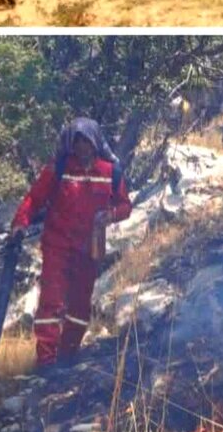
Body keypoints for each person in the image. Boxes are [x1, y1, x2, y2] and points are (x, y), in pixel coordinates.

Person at [10, 118, 132, 367]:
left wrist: (111, 215)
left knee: (80, 304)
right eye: (76, 142)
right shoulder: (58, 170)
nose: (82, 147)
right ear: (70, 144)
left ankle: (68, 355)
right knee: (51, 301)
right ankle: (46, 359)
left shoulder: (111, 172)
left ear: (95, 142)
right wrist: (19, 223)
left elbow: (125, 206)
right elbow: (34, 199)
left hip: (89, 249)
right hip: (57, 245)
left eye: (86, 142)